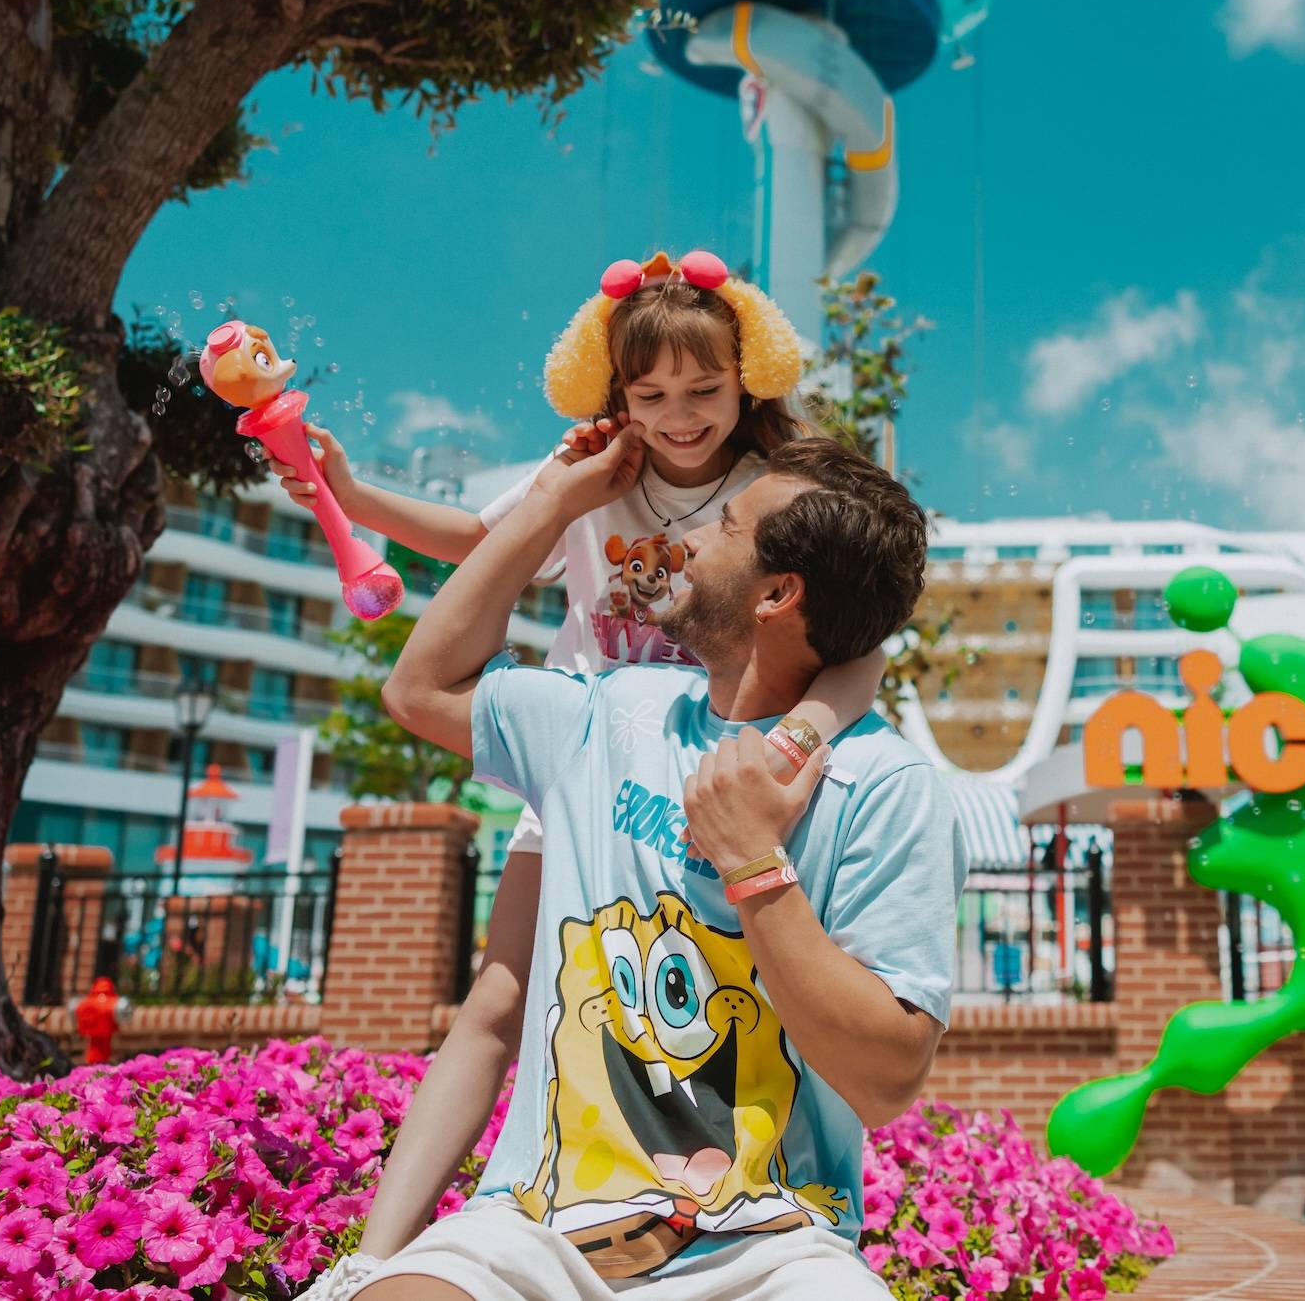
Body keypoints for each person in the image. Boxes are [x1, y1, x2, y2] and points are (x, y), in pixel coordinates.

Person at [275, 251, 886, 1290]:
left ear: (748, 377)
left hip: (713, 781)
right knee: (496, 1000)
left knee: (722, 996)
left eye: (705, 389)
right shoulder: (595, 474)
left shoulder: (773, 492)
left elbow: (866, 635)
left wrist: (797, 739)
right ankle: (373, 1254)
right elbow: (480, 538)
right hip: (580, 767)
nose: (681, 414)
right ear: (616, 394)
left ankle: (753, 1215)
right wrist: (350, 490)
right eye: (651, 395)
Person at [351, 422, 958, 1301]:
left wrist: (755, 864)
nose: (695, 532)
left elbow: (887, 1076)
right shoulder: (612, 712)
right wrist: (554, 501)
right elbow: (419, 689)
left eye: (729, 526)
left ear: (778, 593)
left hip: (777, 1249)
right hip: (534, 1228)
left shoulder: (886, 783)